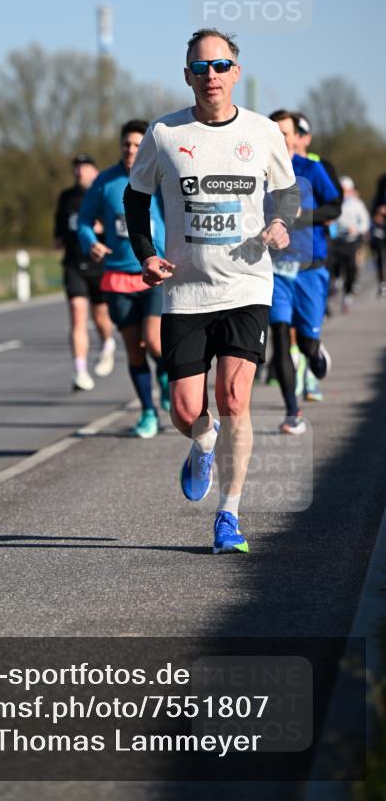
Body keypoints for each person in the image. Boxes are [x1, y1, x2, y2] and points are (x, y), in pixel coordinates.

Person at [125, 29, 299, 553]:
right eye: (200, 68)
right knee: (185, 409)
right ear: (187, 76)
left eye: (220, 66)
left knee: (234, 397)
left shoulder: (264, 132)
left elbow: (287, 194)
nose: (211, 76)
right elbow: (136, 201)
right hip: (186, 290)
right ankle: (202, 444)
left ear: (235, 73)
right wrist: (147, 255)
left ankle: (229, 515)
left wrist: (280, 224)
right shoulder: (164, 134)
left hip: (248, 283)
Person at [78, 121, 168, 438]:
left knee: (154, 339)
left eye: (137, 145)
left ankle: (167, 377)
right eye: (126, 144)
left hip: (155, 273)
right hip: (118, 274)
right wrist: (90, 241)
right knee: (133, 349)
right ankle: (148, 412)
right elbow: (84, 221)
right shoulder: (104, 182)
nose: (131, 150)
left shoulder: (160, 177)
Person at [267, 111, 341, 434]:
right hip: (276, 269)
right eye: (276, 133)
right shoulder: (261, 169)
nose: (281, 140)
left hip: (310, 269)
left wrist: (302, 215)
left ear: (297, 137)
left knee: (307, 342)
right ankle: (292, 412)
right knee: (280, 338)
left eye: (286, 134)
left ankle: (314, 348)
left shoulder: (312, 170)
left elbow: (335, 206)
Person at [290, 111, 342, 400]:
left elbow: (334, 209)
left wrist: (303, 215)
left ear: (306, 137)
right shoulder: (269, 165)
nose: (293, 138)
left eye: (298, 133)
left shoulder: (320, 166)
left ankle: (310, 371)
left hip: (316, 254)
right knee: (284, 324)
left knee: (306, 327)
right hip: (279, 258)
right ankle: (293, 384)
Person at [54, 153, 116, 391]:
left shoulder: (103, 193)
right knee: (77, 315)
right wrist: (58, 238)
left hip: (99, 265)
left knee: (100, 316)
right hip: (73, 264)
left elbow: (118, 224)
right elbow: (60, 224)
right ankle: (80, 371)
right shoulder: (66, 197)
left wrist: (104, 228)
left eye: (85, 167)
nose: (79, 171)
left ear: (95, 171)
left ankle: (108, 343)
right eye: (77, 168)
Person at [328, 176, 371, 312]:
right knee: (334, 265)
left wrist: (357, 229)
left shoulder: (357, 204)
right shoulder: (333, 202)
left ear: (351, 190)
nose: (344, 193)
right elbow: (329, 220)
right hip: (336, 240)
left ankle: (347, 295)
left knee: (351, 268)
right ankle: (336, 284)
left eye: (346, 190)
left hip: (351, 241)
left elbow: (365, 222)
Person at [370, 173, 386, 296]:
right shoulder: (382, 179)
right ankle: (382, 282)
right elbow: (377, 202)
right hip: (381, 225)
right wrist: (377, 212)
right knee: (379, 252)